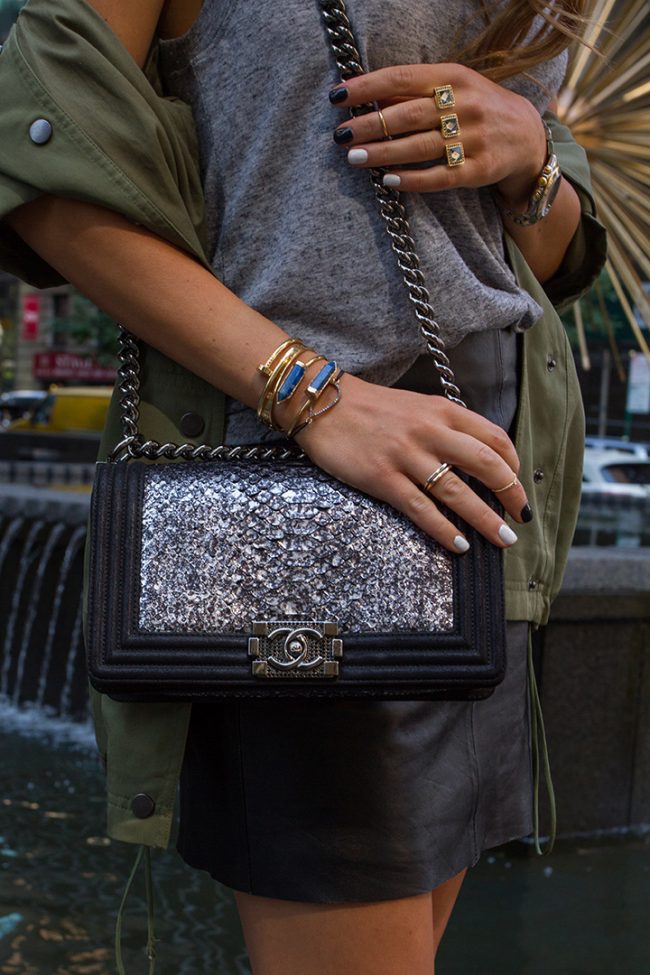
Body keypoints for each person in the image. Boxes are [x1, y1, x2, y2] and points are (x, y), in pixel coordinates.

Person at [0, 0, 606, 971]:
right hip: (295, 479)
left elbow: (520, 255)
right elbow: (36, 166)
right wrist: (311, 395)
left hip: (488, 476)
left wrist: (531, 149)